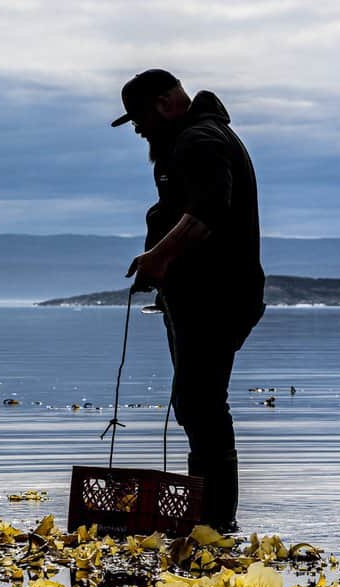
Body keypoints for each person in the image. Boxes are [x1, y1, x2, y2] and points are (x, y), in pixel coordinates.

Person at [112, 69, 265, 530]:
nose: (138, 130)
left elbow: (208, 212)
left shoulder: (199, 140)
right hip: (205, 293)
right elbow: (182, 211)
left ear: (163, 104)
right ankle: (211, 519)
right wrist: (161, 266)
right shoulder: (198, 138)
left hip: (216, 296)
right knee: (198, 405)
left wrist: (158, 257)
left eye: (138, 120)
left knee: (202, 405)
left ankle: (216, 523)